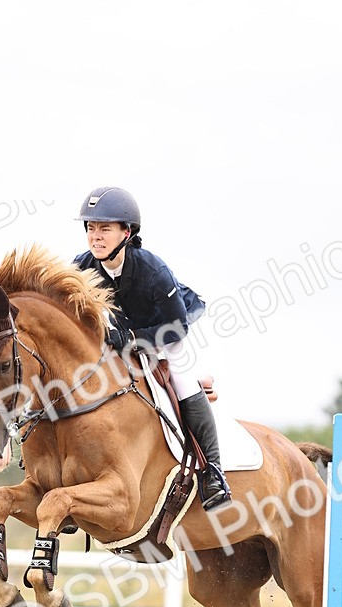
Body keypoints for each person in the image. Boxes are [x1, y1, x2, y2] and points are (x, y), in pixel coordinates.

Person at [74, 186, 232, 511]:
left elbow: (177, 328)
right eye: (90, 228)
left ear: (126, 232)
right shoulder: (81, 267)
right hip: (119, 337)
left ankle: (214, 473)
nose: (95, 237)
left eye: (104, 228)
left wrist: (132, 339)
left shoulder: (152, 271)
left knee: (183, 378)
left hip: (166, 333)